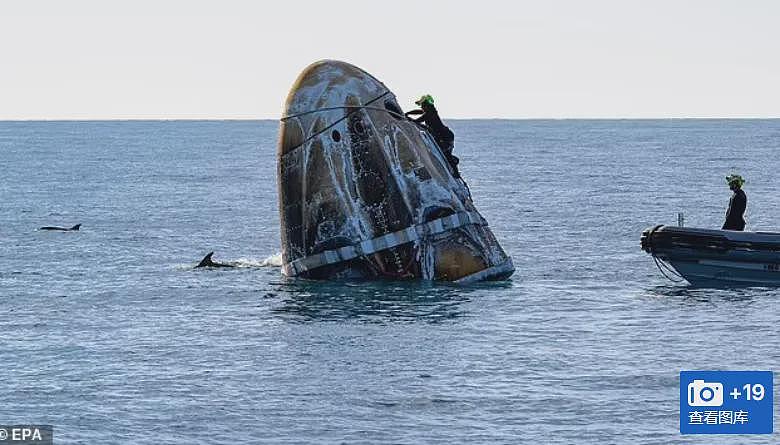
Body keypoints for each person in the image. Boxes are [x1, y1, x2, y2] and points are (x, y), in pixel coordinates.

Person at [405, 95, 461, 178]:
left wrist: (408, 118)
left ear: (427, 105)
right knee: (445, 154)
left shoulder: (430, 114)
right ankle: (454, 161)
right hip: (444, 136)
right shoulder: (430, 111)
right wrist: (408, 113)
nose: (422, 107)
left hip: (445, 137)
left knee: (447, 155)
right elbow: (419, 112)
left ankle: (456, 172)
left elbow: (417, 121)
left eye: (423, 105)